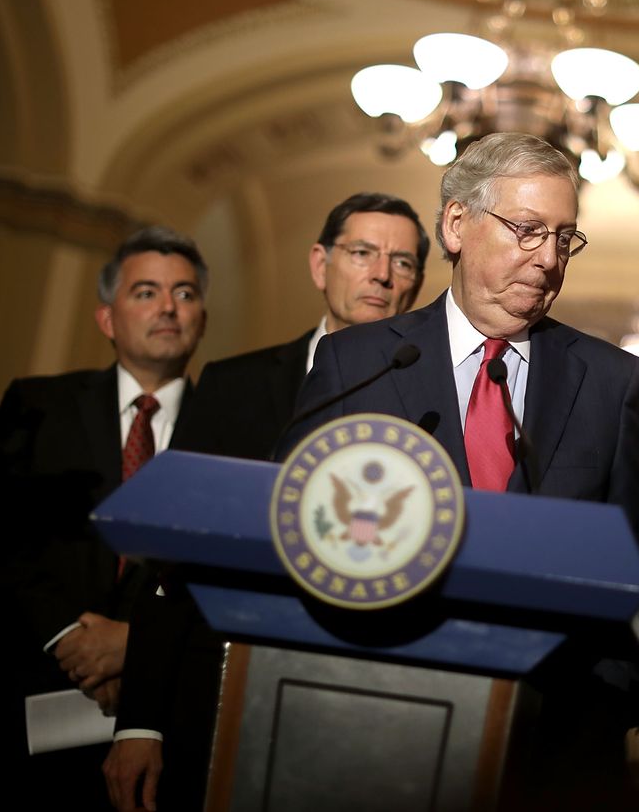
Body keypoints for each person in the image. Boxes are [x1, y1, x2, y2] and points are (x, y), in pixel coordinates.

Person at [276, 132, 639, 807]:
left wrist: (605, 700)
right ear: (456, 224)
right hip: (373, 716)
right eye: (529, 230)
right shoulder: (357, 363)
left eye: (565, 238)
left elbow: (630, 564)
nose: (549, 258)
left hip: (551, 742)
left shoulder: (608, 380)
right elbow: (293, 530)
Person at [104, 192, 431, 811]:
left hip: (362, 711)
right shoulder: (235, 384)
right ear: (319, 264)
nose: (382, 274)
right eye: (362, 252)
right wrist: (140, 721)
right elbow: (174, 557)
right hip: (213, 692)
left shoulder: (436, 405)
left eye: (404, 262)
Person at [0, 227, 207, 805]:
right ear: (107, 318)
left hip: (166, 729)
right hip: (25, 702)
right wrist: (70, 635)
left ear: (202, 318)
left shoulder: (227, 427)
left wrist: (136, 646)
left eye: (184, 293)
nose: (167, 306)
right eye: (145, 292)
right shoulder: (37, 404)